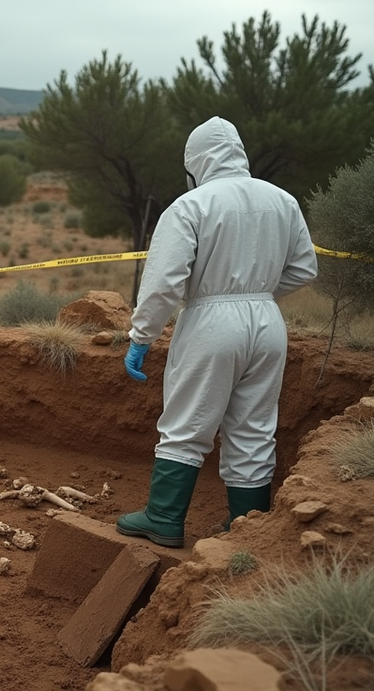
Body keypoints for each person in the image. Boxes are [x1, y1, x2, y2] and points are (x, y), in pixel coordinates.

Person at [117, 116, 317, 548]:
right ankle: (247, 528)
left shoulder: (191, 206)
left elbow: (163, 285)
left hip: (210, 320)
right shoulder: (282, 200)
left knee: (188, 421)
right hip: (267, 323)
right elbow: (305, 268)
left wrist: (141, 337)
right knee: (254, 426)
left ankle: (164, 518)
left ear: (196, 162)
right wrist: (257, 294)